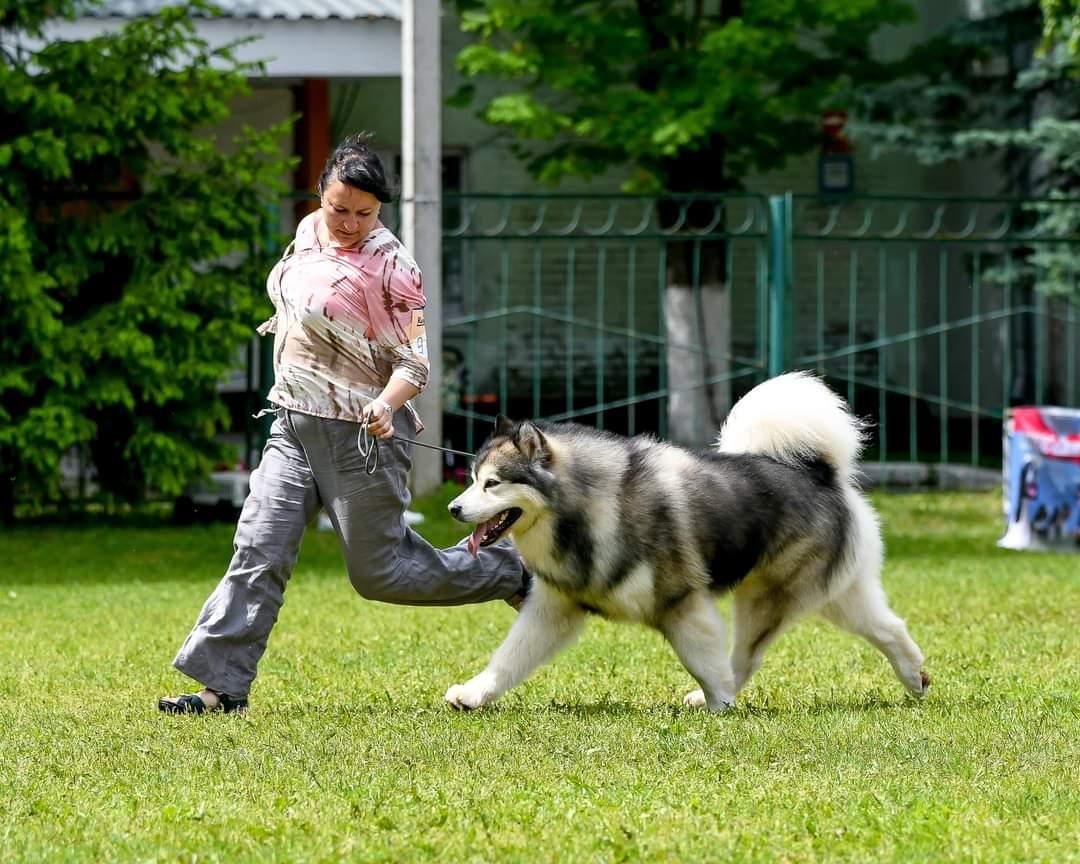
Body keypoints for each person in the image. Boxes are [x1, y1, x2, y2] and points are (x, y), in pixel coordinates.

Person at [159, 133, 528, 715]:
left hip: (363, 438)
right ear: (320, 194)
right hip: (292, 424)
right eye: (339, 208)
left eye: (365, 212)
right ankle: (221, 688)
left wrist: (385, 402)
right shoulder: (308, 231)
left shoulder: (394, 267)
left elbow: (415, 362)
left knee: (383, 574)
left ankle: (511, 570)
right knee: (258, 548)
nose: (350, 222)